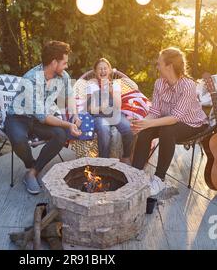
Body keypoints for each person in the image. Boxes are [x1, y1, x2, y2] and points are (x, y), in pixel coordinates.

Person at [5, 41, 82, 195]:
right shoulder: (31, 79)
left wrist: (75, 114)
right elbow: (44, 117)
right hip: (18, 117)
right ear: (54, 62)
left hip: (38, 120)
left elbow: (69, 96)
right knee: (19, 141)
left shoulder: (62, 76)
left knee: (60, 135)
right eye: (64, 63)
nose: (67, 66)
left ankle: (32, 173)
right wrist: (68, 124)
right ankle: (31, 164)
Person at [131, 48, 209, 196]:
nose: (157, 66)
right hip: (168, 121)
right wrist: (142, 124)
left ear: (169, 66)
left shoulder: (188, 85)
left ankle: (159, 179)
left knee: (167, 130)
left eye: (159, 63)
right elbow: (154, 112)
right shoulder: (159, 83)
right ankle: (135, 175)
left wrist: (148, 123)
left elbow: (175, 118)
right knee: (146, 130)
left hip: (192, 124)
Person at [87, 58, 134, 164]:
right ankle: (104, 161)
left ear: (109, 70)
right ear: (95, 72)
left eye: (105, 68)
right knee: (104, 131)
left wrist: (111, 91)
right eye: (100, 69)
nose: (103, 71)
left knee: (128, 129)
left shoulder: (115, 84)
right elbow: (90, 108)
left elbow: (118, 106)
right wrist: (102, 108)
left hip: (114, 113)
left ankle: (126, 156)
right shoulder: (92, 86)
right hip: (99, 115)